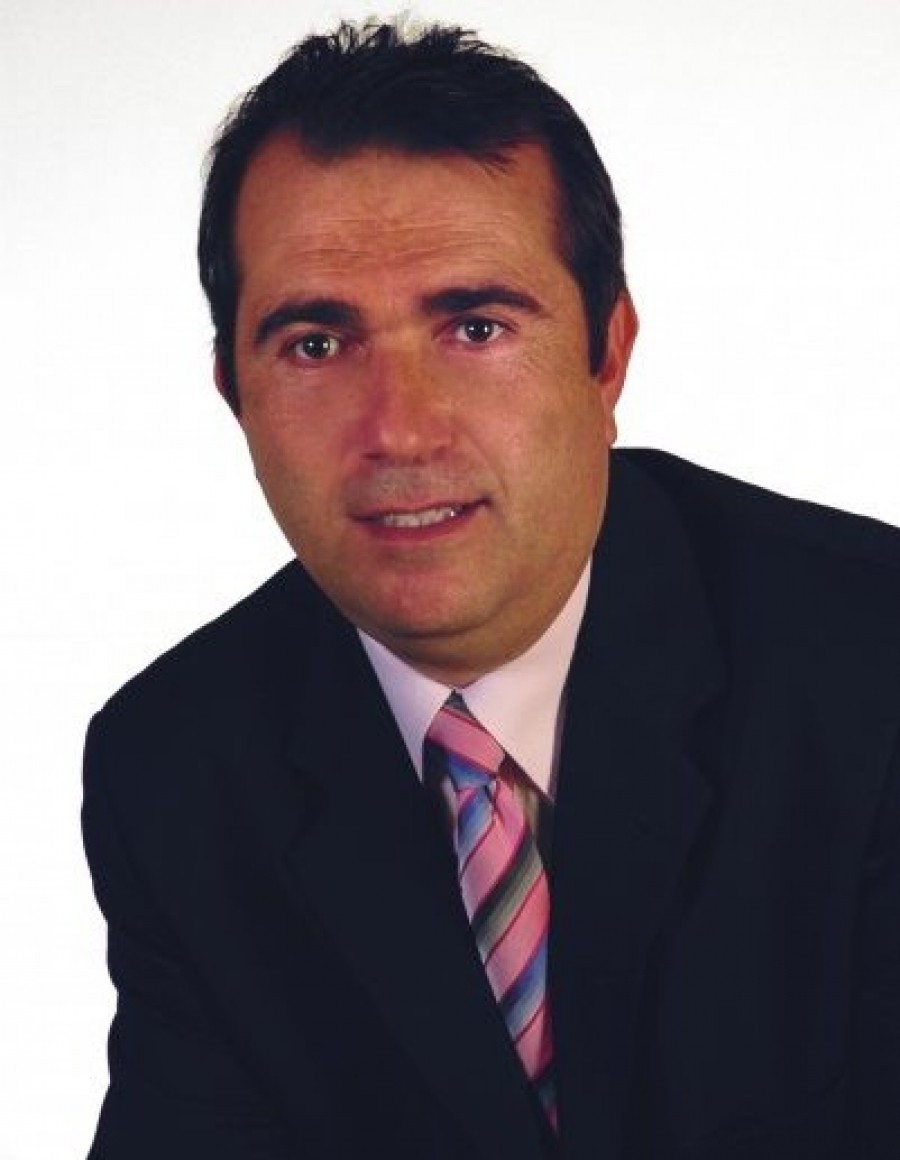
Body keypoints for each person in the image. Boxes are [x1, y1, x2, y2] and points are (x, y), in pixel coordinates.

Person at [81, 19, 900, 1160]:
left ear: (607, 354)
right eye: (315, 344)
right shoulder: (174, 768)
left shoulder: (871, 659)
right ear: (234, 392)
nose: (400, 430)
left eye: (475, 327)